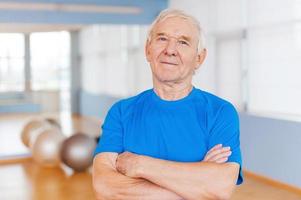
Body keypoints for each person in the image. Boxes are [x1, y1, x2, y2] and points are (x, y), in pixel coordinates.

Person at [92, 9, 243, 200]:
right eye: (162, 39)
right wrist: (196, 185)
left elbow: (219, 189)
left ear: (199, 58)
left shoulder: (220, 112)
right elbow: (105, 188)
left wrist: (140, 165)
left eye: (183, 42)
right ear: (148, 49)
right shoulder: (121, 112)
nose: (170, 50)